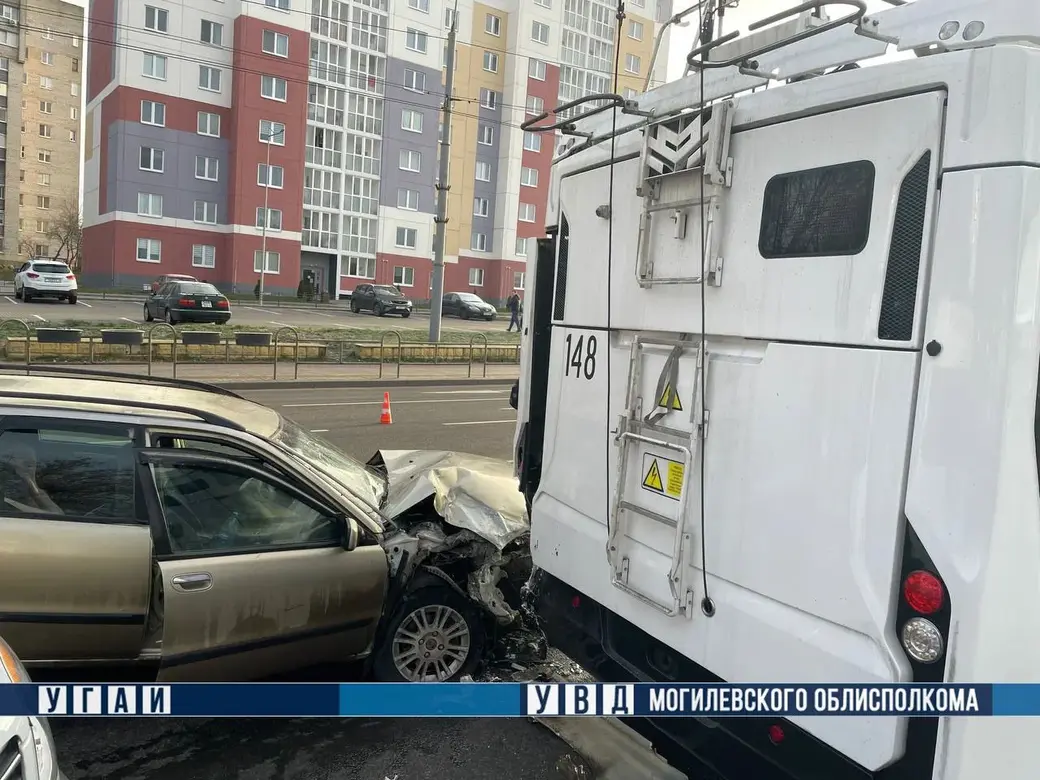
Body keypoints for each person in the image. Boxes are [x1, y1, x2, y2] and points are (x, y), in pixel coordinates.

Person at [0, 441, 62, 515]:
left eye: (32, 463)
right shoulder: (7, 489)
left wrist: (32, 484)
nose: (30, 467)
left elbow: (58, 514)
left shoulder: (34, 490)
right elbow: (55, 515)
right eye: (22, 459)